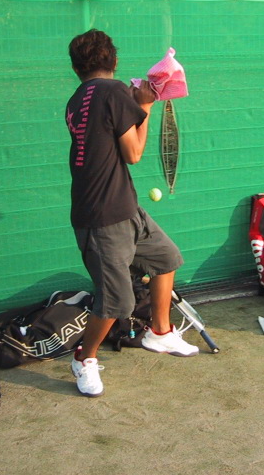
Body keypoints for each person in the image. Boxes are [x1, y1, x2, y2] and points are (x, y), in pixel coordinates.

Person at [65, 29, 198, 397]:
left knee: (166, 258)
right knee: (117, 302)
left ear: (76, 68)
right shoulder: (113, 92)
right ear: (115, 61)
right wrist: (146, 105)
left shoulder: (76, 99)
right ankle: (84, 358)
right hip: (102, 218)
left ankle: (160, 332)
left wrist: (134, 104)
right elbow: (134, 153)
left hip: (123, 206)